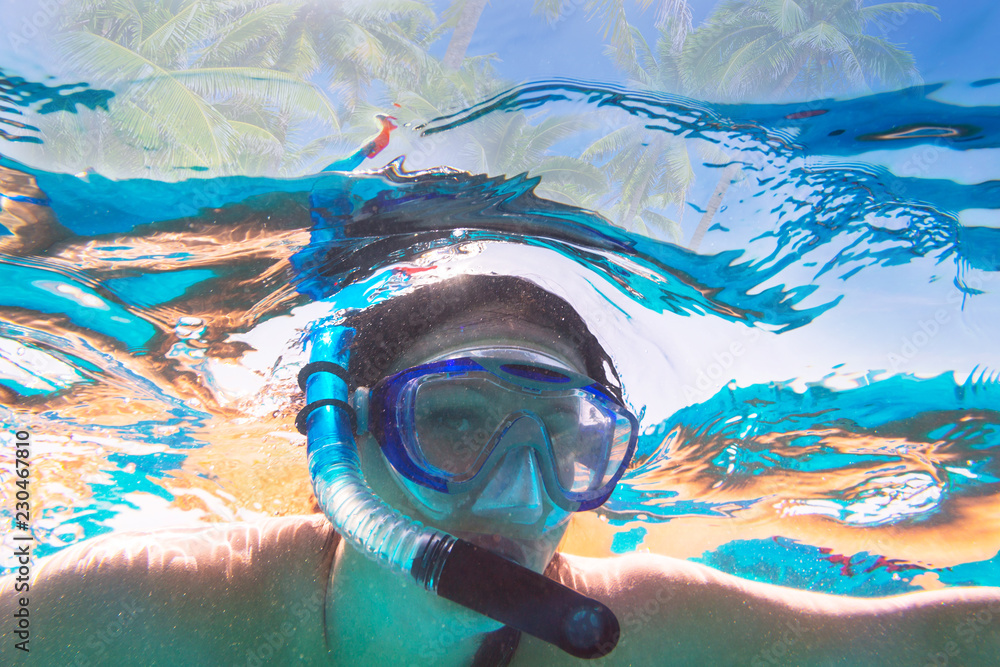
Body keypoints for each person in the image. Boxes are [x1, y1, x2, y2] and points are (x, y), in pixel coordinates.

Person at [3, 274, 1000, 667]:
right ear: (339, 448)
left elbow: (932, 643)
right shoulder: (139, 609)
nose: (518, 489)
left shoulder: (631, 629)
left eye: (564, 439)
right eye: (453, 420)